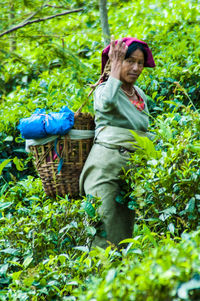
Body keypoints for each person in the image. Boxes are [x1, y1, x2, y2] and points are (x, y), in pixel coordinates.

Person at [79, 36, 155, 249]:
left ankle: (117, 281)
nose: (136, 68)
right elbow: (106, 104)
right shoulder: (105, 89)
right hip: (105, 171)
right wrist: (113, 68)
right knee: (104, 235)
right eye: (129, 61)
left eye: (140, 63)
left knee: (123, 235)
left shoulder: (139, 94)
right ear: (115, 61)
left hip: (129, 172)